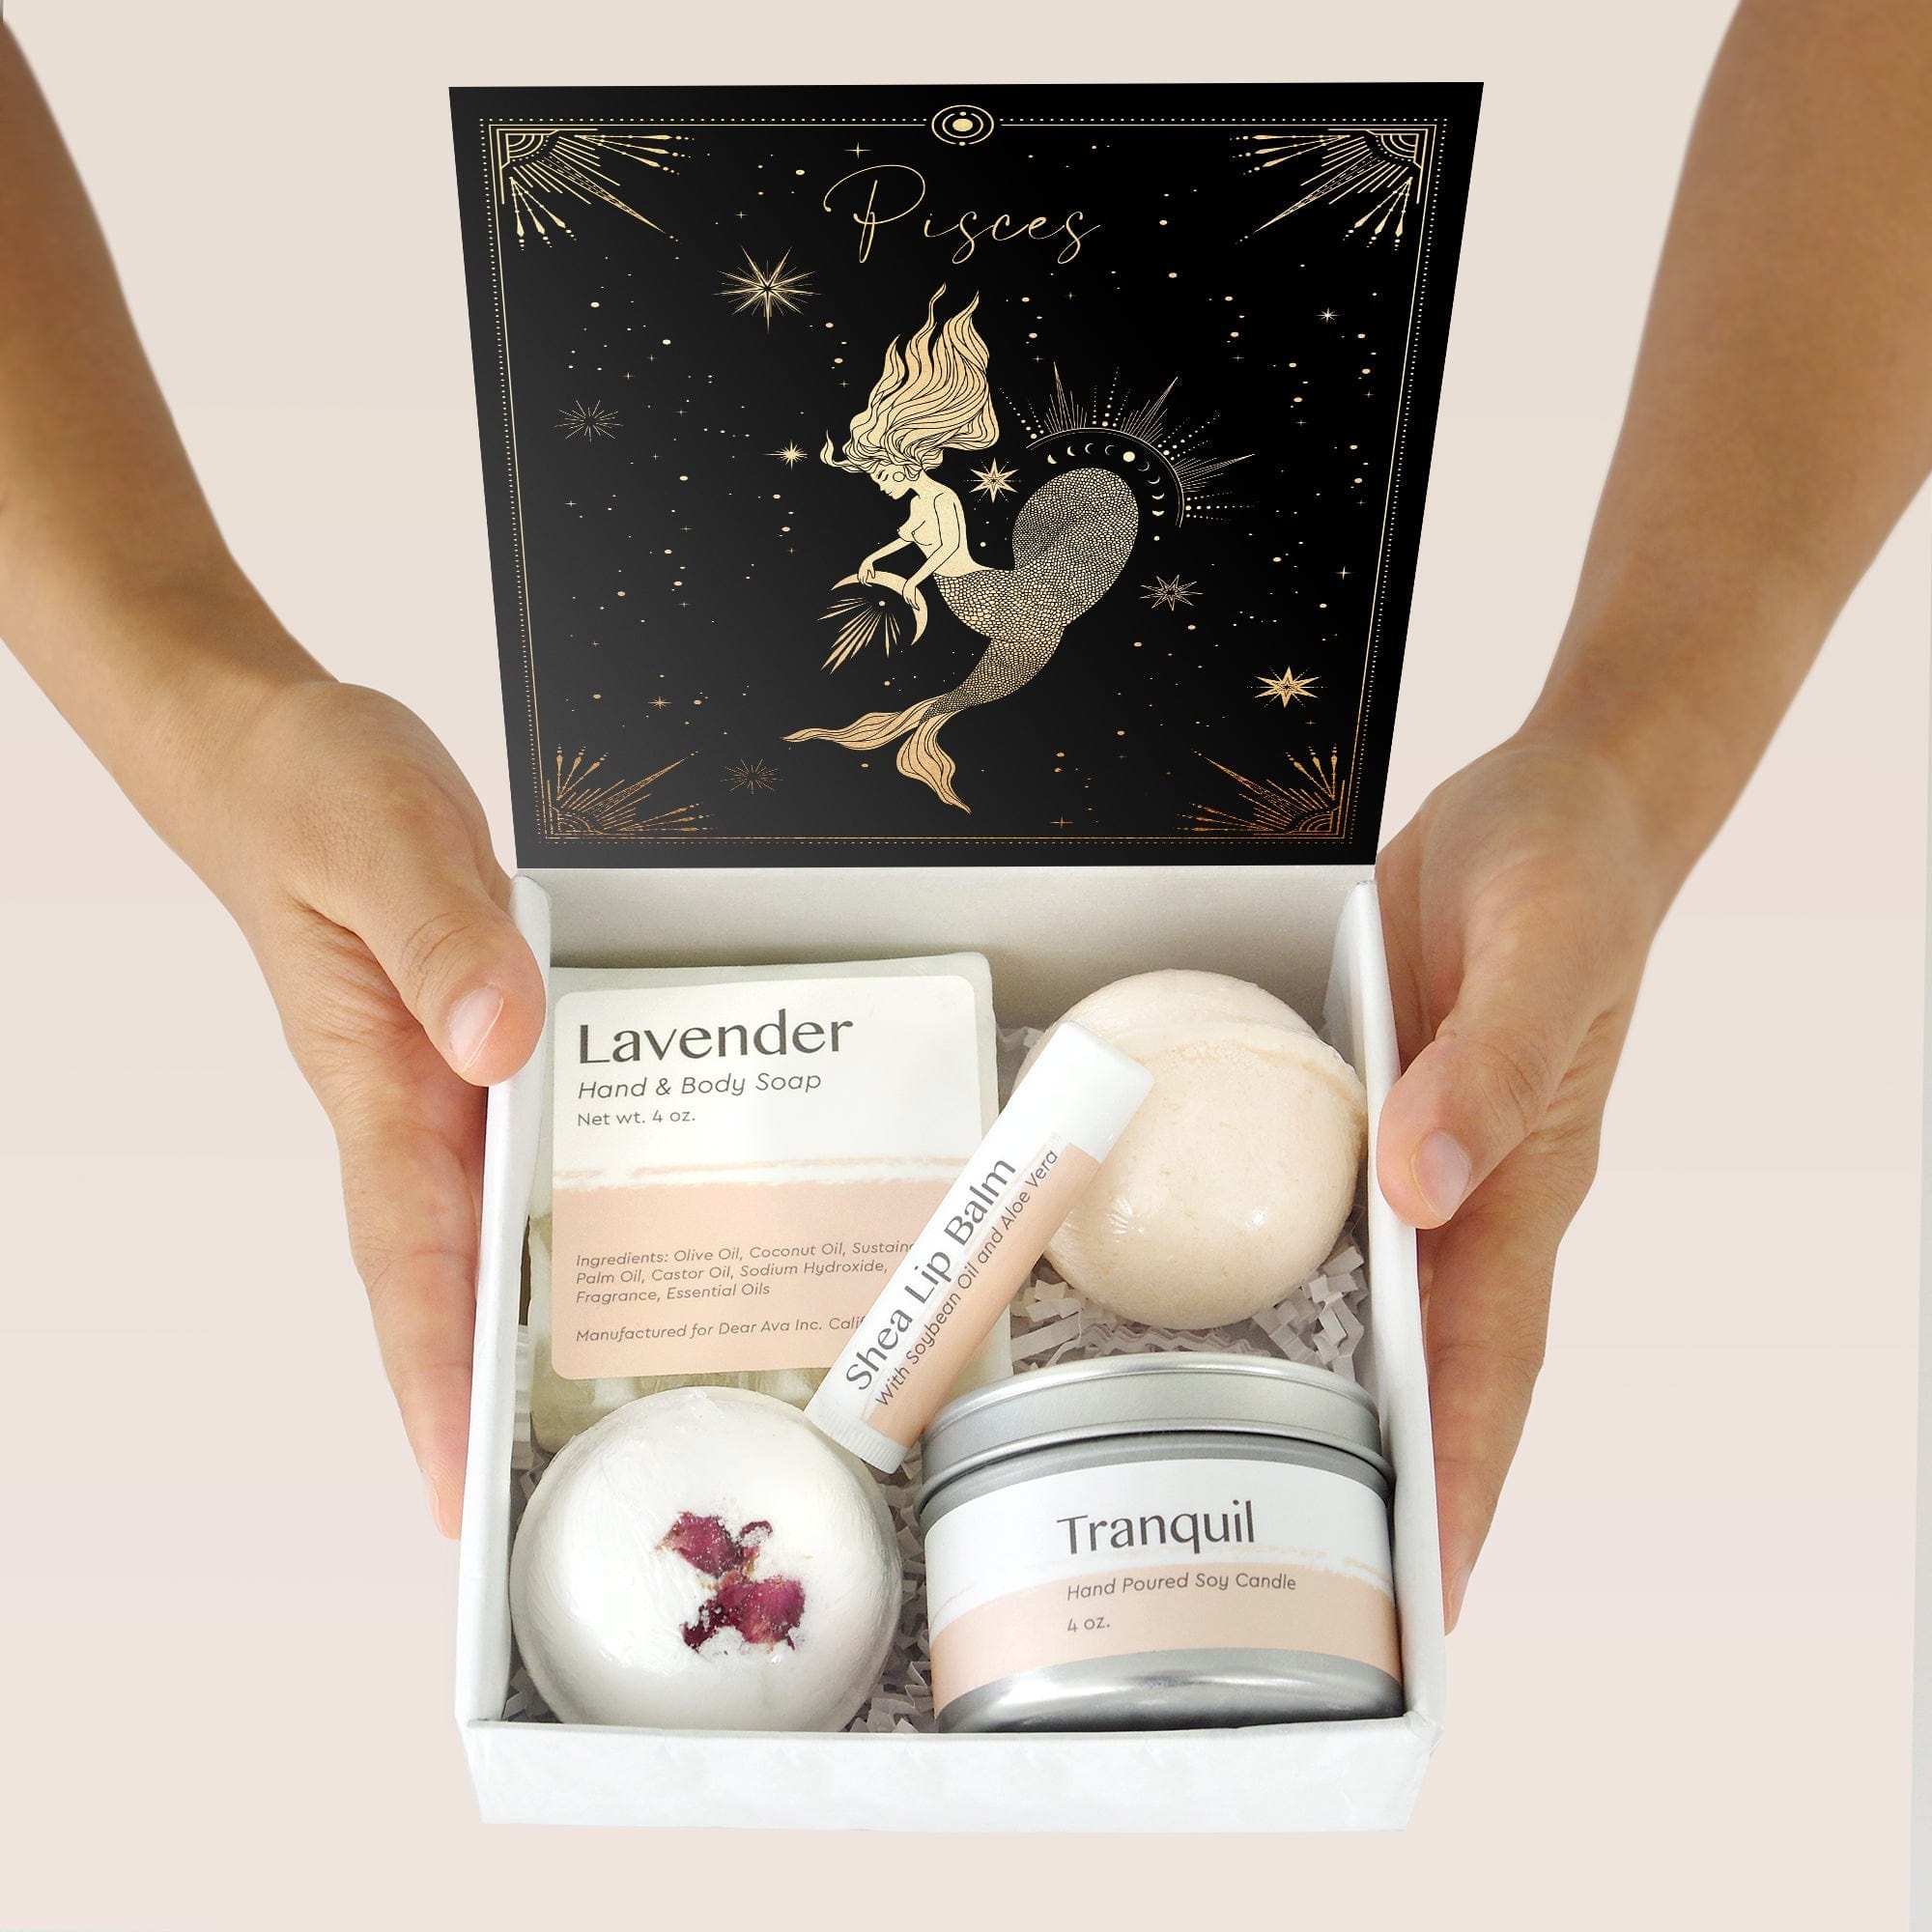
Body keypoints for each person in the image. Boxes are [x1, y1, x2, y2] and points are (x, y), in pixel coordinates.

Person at [3, 4, 1928, 1631]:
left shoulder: (1017, 554)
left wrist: (1627, 753)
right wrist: (204, 698)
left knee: (938, 694)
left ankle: (907, 729)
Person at [787, 285, 1139, 811]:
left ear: (905, 462)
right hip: (970, 596)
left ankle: (931, 722)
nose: (878, 484)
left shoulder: (943, 496)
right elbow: (906, 538)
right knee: (974, 685)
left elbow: (946, 547)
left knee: (992, 675)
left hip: (984, 594)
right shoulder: (918, 501)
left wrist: (912, 580)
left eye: (879, 472)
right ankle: (925, 724)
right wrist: (874, 560)